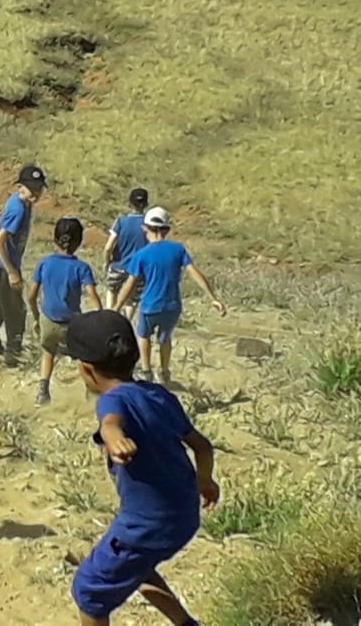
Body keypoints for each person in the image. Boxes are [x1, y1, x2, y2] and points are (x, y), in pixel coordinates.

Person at [66, 309, 219, 626]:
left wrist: (113, 438)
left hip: (146, 526)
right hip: (184, 516)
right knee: (136, 567)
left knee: (89, 591)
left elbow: (110, 421)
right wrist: (205, 481)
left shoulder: (111, 400)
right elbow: (203, 446)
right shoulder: (159, 395)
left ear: (86, 369)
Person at [114, 207, 226, 385]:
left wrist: (117, 307)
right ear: (166, 229)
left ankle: (147, 371)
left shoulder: (141, 255)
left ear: (145, 228)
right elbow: (194, 272)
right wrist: (213, 298)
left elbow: (130, 283)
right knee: (165, 339)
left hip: (150, 305)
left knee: (143, 336)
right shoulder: (178, 249)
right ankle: (164, 371)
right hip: (172, 306)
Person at [27, 217, 102, 406]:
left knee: (48, 352)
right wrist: (100, 317)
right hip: (72, 323)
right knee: (84, 356)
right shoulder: (82, 268)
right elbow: (92, 296)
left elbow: (31, 296)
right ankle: (91, 392)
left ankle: (43, 392)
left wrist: (37, 317)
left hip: (48, 320)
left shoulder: (44, 263)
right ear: (79, 241)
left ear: (55, 239)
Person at [0, 164, 48, 367]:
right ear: (20, 186)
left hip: (0, 261)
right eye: (31, 188)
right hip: (4, 263)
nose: (35, 193)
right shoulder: (18, 209)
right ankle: (13, 352)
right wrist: (12, 272)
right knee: (15, 310)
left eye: (38, 188)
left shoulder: (25, 204)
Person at [103, 188, 149, 319]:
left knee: (112, 291)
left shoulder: (121, 222)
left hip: (118, 265)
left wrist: (107, 262)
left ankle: (109, 319)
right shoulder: (148, 225)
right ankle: (125, 323)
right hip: (138, 270)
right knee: (132, 300)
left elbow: (108, 247)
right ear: (146, 204)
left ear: (130, 203)